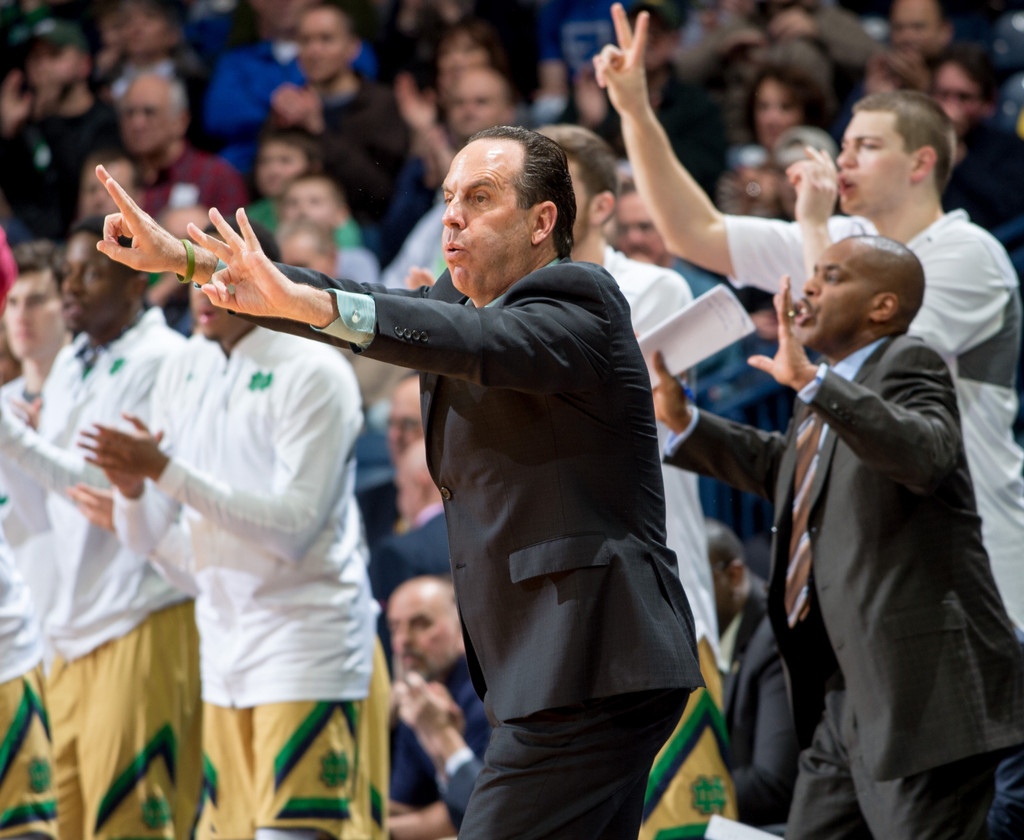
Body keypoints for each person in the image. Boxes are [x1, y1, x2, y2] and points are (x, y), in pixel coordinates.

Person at [94, 123, 703, 839]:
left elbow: (465, 342)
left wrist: (309, 304)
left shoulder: (582, 299)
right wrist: (187, 259)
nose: (453, 217)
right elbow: (354, 296)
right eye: (448, 198)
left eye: (480, 197)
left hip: (592, 655)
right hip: (562, 664)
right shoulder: (462, 304)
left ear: (543, 221)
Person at [598, 0, 1024, 674]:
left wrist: (817, 225)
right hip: (885, 552)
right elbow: (693, 231)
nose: (842, 158)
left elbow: (866, 350)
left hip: (977, 551)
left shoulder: (968, 253)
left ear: (920, 163)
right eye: (844, 143)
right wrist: (635, 111)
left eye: (866, 147)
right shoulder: (845, 241)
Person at [656, 234, 1024, 837]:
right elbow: (787, 469)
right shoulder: (824, 392)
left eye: (831, 276)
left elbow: (926, 453)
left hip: (922, 694)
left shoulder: (910, 360)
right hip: (844, 692)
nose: (808, 286)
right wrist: (687, 422)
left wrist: (814, 384)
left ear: (882, 306)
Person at [75, 224, 388, 840]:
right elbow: (149, 536)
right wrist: (134, 492)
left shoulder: (315, 370)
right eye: (190, 275)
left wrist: (163, 472)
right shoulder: (184, 367)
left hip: (306, 646)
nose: (201, 291)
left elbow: (293, 530)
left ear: (261, 276)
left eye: (215, 272)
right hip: (221, 652)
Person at [539, 121, 734, 836]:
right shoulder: (493, 307)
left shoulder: (651, 287)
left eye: (554, 186)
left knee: (682, 827)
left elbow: (588, 418)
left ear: (602, 206)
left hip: (656, 603)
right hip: (557, 619)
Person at [0, 216, 200, 840]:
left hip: (142, 612)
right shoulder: (68, 363)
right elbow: (51, 501)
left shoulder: (165, 360)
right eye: (69, 272)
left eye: (91, 273)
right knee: (58, 824)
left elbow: (106, 484)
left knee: (129, 826)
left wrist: (16, 440)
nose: (72, 286)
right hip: (70, 627)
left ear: (137, 282)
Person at [705, 518, 798, 828]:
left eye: (695, 582)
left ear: (733, 576)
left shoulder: (775, 638)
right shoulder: (704, 636)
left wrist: (684, 795)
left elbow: (773, 783)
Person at [386, 576, 490, 840]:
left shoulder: (486, 694)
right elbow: (407, 804)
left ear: (461, 628)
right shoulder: (418, 696)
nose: (403, 640)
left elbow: (482, 810)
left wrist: (374, 831)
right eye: (395, 627)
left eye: (421, 624)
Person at [0, 19, 121, 239]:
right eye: (35, 58)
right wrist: (8, 134)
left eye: (54, 55)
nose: (42, 66)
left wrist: (51, 120)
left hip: (79, 237)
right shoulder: (27, 122)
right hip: (26, 237)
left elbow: (76, 195)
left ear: (84, 64)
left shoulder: (105, 123)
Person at [118, 74, 248, 219]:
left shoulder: (217, 177)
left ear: (181, 121)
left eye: (149, 112)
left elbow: (234, 232)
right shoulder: (112, 176)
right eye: (129, 113)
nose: (137, 123)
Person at [932, 43, 1024, 232]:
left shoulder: (1011, 150)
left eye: (963, 97)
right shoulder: (914, 143)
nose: (950, 108)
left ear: (988, 102)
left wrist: (960, 156)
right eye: (943, 95)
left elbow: (1010, 211)